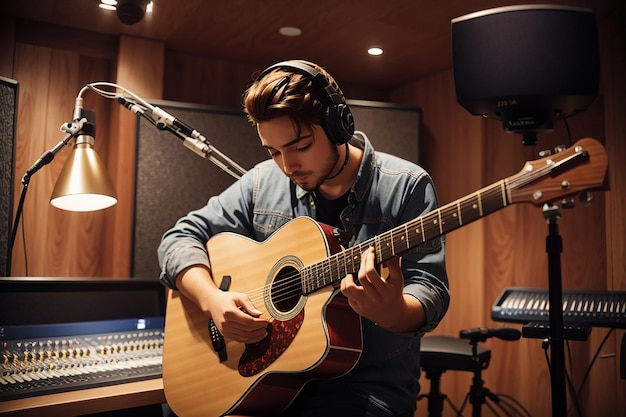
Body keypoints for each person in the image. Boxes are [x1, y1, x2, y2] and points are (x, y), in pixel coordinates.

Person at [158, 59, 450, 417]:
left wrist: (394, 312)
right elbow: (180, 236)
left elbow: (430, 289)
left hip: (365, 388)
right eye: (274, 152)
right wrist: (211, 300)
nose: (287, 165)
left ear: (337, 125)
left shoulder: (405, 186)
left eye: (300, 145)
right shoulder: (263, 181)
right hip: (274, 377)